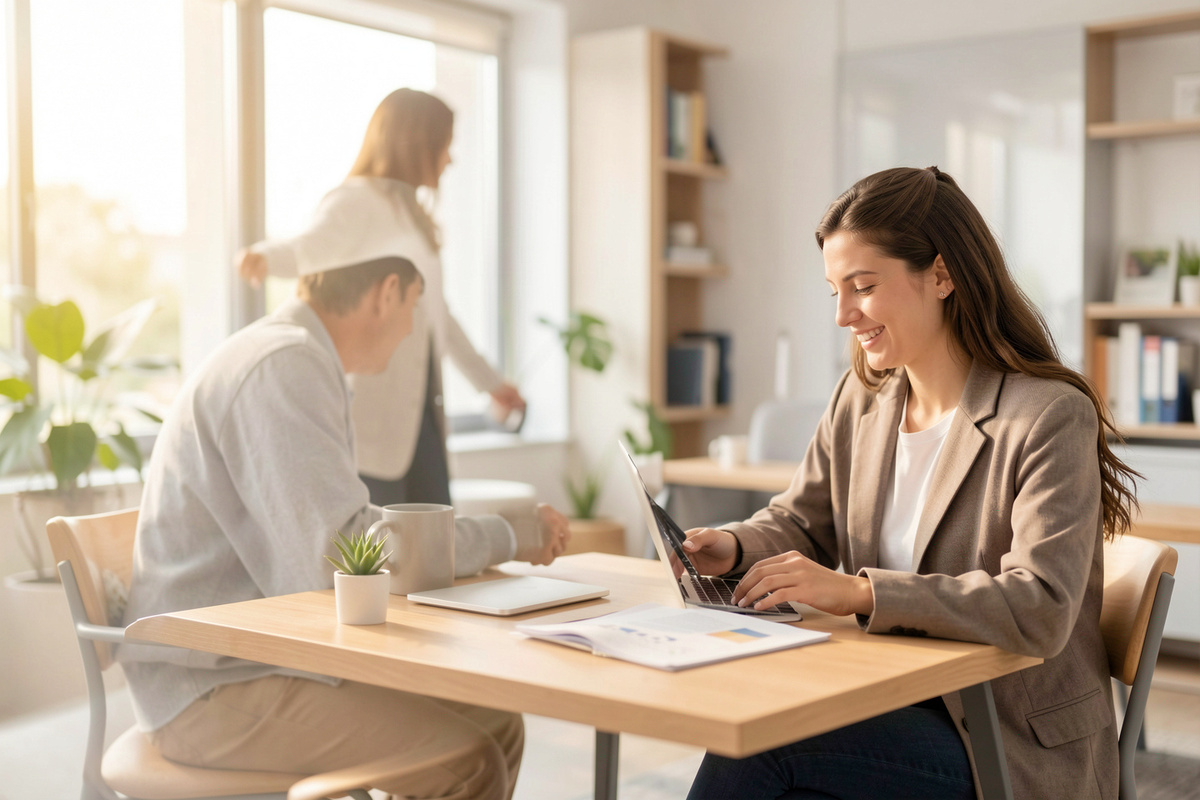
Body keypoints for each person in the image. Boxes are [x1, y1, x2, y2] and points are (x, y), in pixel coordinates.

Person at [681, 166, 1139, 800]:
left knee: (765, 744)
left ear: (943, 276)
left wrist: (861, 594)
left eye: (863, 287)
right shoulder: (861, 400)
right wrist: (730, 547)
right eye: (834, 292)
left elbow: (1041, 605)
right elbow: (802, 522)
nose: (844, 315)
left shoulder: (1046, 414)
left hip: (1006, 740)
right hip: (892, 693)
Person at [118, 253, 569, 800]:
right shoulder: (283, 364)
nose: (411, 330)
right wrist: (510, 533)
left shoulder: (294, 356)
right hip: (212, 686)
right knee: (469, 761)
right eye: (414, 306)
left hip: (253, 659)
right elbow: (341, 554)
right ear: (386, 293)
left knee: (498, 723)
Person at [236, 87, 524, 507]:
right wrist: (262, 256)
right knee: (383, 552)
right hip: (376, 422)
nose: (450, 158)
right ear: (417, 143)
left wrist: (492, 385)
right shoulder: (357, 201)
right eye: (445, 145)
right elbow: (311, 246)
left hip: (422, 414)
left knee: (433, 544)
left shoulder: (414, 215)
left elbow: (439, 316)